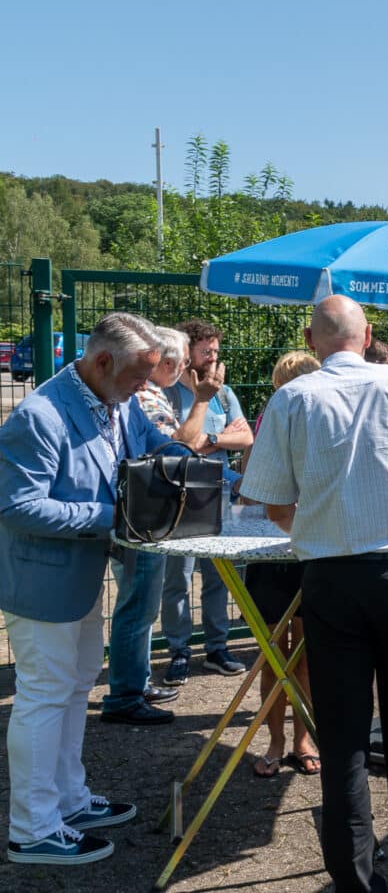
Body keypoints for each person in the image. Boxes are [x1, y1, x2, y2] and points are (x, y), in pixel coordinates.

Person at [240, 295, 388, 893]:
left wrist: (316, 525)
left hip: (330, 578)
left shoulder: (291, 398)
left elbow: (273, 502)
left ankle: (355, 883)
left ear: (313, 342)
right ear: (367, 338)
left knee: (342, 741)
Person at [0, 312, 168, 865]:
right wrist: (112, 514)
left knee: (74, 689)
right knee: (44, 697)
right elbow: (18, 506)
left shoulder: (117, 402)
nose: (146, 386)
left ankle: (68, 800)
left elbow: (155, 450)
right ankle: (32, 828)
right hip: (43, 584)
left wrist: (231, 479)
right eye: (138, 376)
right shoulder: (40, 414)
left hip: (78, 578)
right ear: (101, 362)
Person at [100, 326, 219, 726]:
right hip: (144, 519)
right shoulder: (147, 397)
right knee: (137, 609)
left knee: (140, 608)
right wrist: (202, 401)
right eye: (183, 361)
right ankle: (125, 695)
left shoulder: (142, 396)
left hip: (145, 517)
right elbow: (179, 448)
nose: (183, 368)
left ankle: (135, 683)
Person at [238, 350, 322, 778]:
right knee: (275, 656)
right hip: (273, 551)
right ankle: (276, 740)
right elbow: (253, 492)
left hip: (307, 551)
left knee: (302, 656)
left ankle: (303, 739)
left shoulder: (326, 424)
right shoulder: (267, 422)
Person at [159, 318, 252, 685]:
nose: (213, 358)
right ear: (188, 354)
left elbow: (245, 438)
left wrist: (210, 437)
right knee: (177, 579)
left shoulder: (225, 394)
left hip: (221, 497)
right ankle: (179, 650)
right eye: (206, 351)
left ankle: (216, 647)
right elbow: (181, 443)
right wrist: (215, 439)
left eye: (216, 350)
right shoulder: (166, 395)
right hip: (179, 502)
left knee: (220, 576)